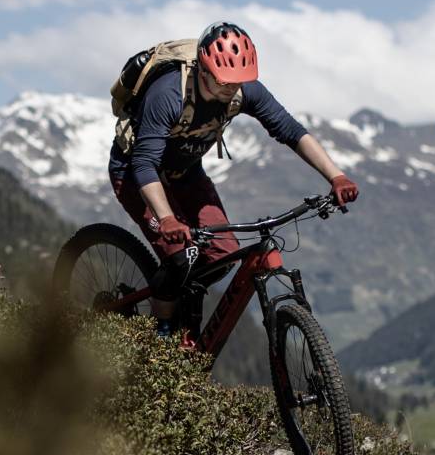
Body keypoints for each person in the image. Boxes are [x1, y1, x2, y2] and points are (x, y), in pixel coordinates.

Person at [109, 21, 358, 333]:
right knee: (180, 257)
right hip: (136, 176)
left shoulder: (243, 87)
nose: (231, 90)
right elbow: (144, 164)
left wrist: (336, 176)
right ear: (202, 69)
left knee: (222, 255)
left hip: (185, 174)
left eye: (237, 83)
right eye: (223, 82)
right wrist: (167, 218)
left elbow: (290, 130)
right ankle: (162, 335)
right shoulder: (168, 93)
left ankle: (180, 295)